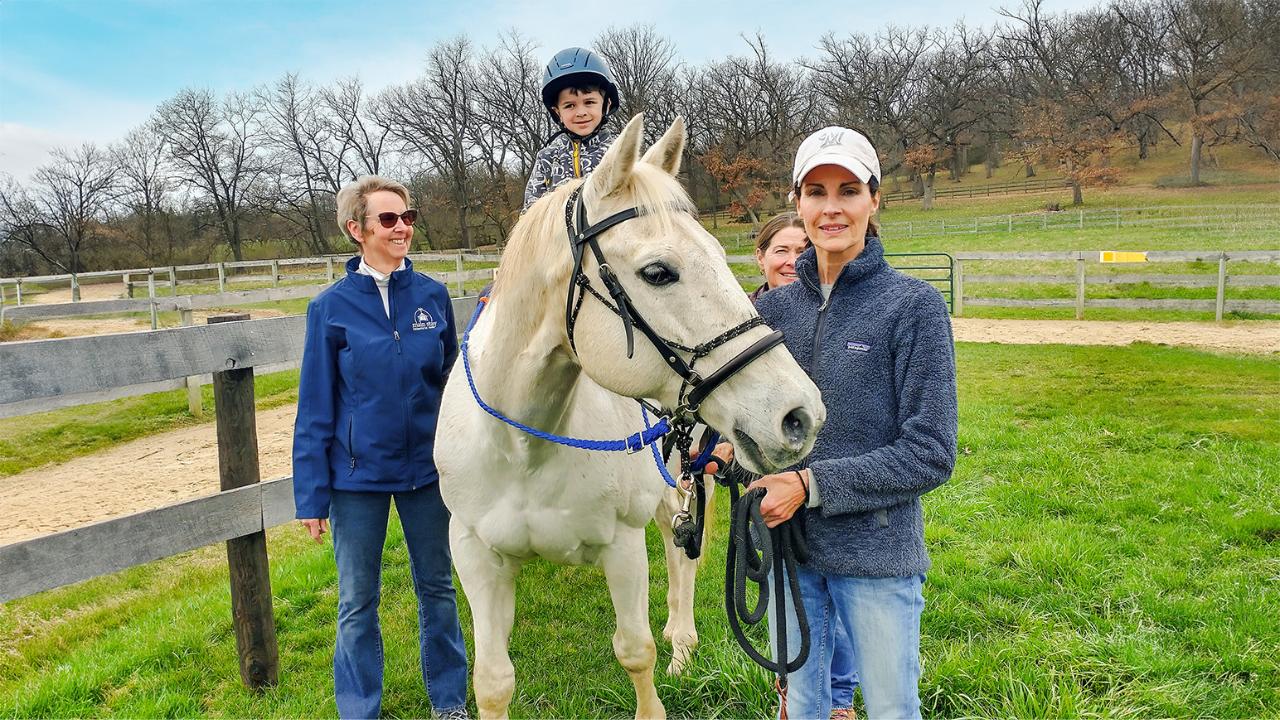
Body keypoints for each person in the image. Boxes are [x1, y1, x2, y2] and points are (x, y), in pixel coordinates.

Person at [750, 127, 958, 719]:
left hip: (876, 553)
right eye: (816, 191)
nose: (831, 207)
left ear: (874, 198)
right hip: (789, 552)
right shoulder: (769, 311)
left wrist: (810, 486)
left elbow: (931, 451)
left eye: (847, 190)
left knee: (892, 708)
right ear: (798, 202)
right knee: (806, 707)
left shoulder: (912, 306)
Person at [292, 175, 469, 719]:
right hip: (356, 480)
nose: (403, 228)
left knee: (437, 588)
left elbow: (451, 383)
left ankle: (449, 701)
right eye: (389, 219)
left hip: (425, 473)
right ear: (357, 229)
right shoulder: (331, 309)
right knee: (356, 603)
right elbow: (315, 406)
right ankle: (359, 708)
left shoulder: (433, 296)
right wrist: (311, 498)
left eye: (408, 217)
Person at [522, 46, 622, 211]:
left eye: (589, 102)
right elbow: (530, 214)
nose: (581, 113)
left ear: (606, 104)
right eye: (570, 106)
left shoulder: (620, 149)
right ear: (557, 112)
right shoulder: (547, 158)